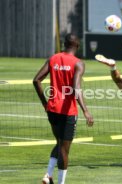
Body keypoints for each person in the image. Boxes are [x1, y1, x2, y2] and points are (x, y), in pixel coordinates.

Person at [33, 33, 94, 184]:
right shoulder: (78, 63)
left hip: (52, 110)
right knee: (64, 150)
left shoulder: (53, 58)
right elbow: (76, 88)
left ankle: (48, 175)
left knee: (59, 144)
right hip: (67, 112)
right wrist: (85, 110)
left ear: (64, 44)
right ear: (77, 46)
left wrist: (45, 103)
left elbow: (36, 80)